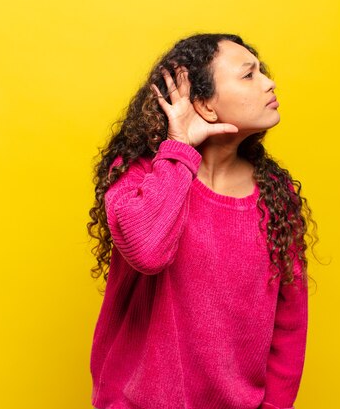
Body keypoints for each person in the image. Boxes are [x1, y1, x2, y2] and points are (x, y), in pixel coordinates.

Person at [87, 33, 319, 409]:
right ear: (205, 105)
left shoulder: (277, 197)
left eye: (262, 72)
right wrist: (179, 147)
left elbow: (289, 323)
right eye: (249, 75)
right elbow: (148, 251)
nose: (269, 82)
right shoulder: (139, 175)